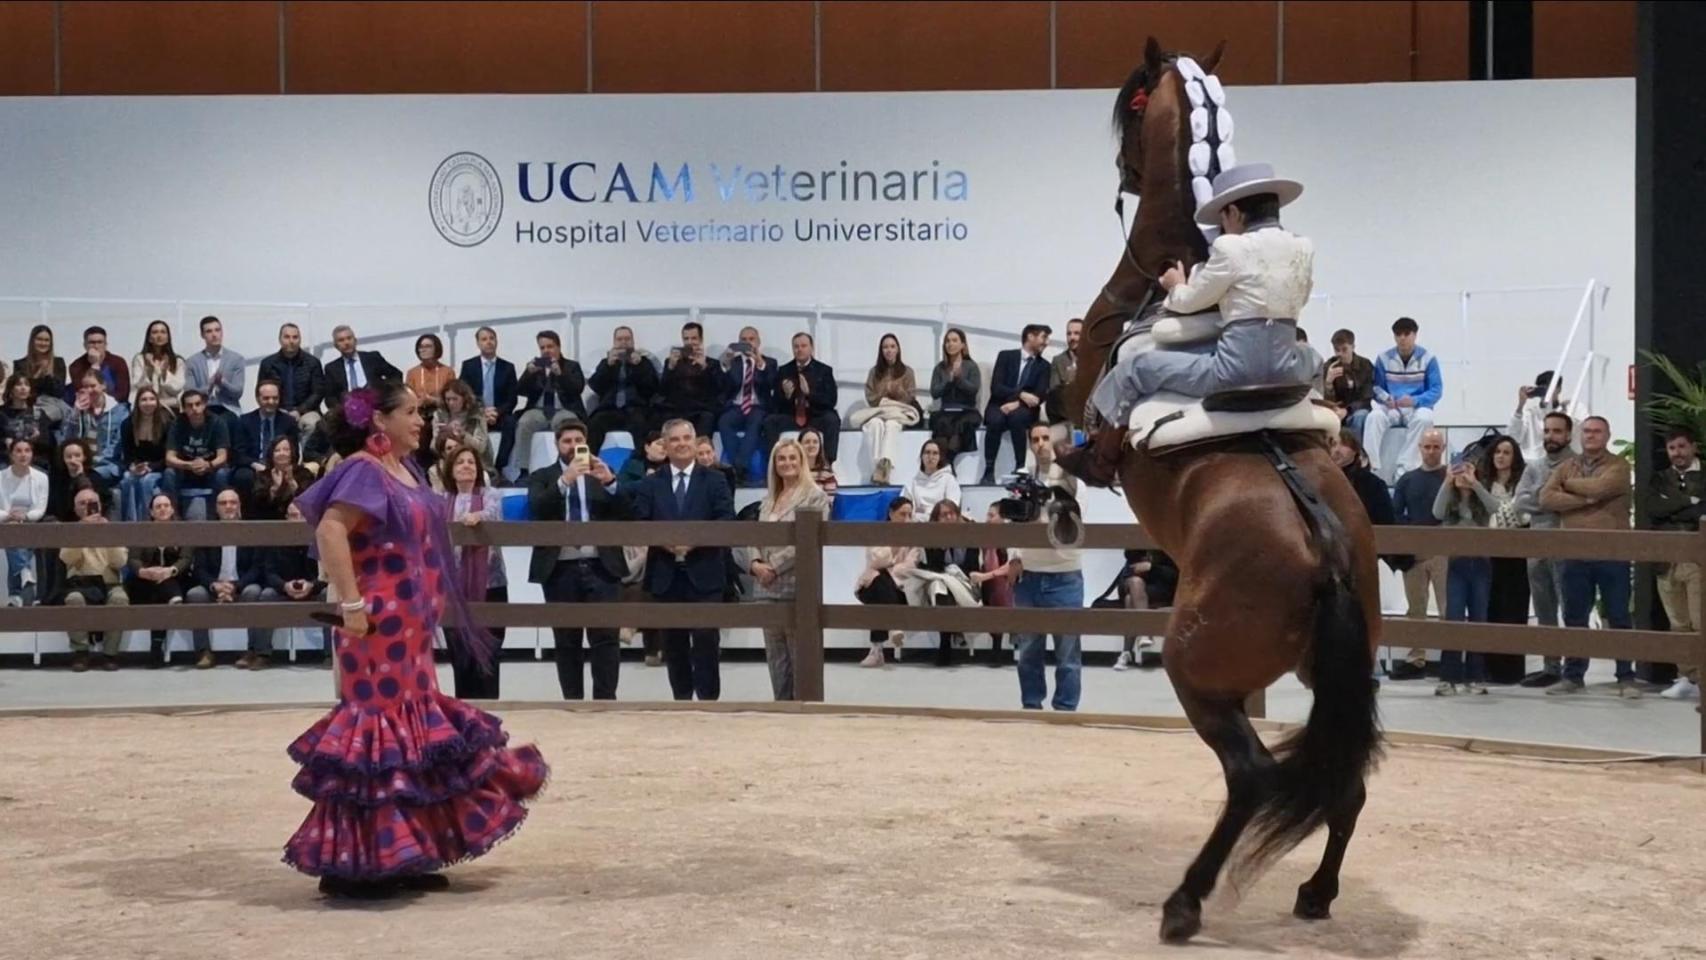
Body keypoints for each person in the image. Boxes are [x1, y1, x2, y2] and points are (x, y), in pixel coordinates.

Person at [287, 380, 547, 898]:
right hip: (377, 628)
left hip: (410, 632)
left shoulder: (403, 469)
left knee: (407, 738)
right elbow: (330, 531)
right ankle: (355, 862)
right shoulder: (362, 468)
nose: (420, 420)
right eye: (410, 411)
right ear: (378, 421)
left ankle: (401, 851)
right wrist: (352, 604)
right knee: (377, 738)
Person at [1066, 163, 1315, 486]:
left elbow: (1189, 301)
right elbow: (1302, 297)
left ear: (1235, 213)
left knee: (1135, 369)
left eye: (1223, 220)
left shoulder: (1231, 248)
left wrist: (1174, 284)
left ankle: (1101, 461)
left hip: (1233, 374)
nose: (1223, 228)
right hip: (1288, 368)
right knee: (1315, 359)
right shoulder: (1303, 246)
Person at [629, 418, 734, 701]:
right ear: (665, 445)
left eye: (686, 438)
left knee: (706, 640)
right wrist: (663, 541)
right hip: (665, 573)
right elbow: (639, 519)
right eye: (674, 439)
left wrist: (695, 540)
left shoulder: (715, 479)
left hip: (706, 571)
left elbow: (726, 519)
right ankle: (682, 702)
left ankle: (709, 703)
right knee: (673, 644)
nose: (681, 444)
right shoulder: (651, 484)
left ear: (694, 441)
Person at [526, 421, 628, 701]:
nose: (573, 446)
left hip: (602, 565)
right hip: (560, 567)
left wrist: (610, 482)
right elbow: (537, 507)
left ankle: (605, 702)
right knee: (566, 639)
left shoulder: (602, 473)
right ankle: (572, 702)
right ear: (557, 446)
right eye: (567, 441)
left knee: (606, 638)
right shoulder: (542, 476)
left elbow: (628, 510)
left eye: (578, 440)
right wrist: (565, 480)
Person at [1540, 415, 1639, 698]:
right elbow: (1546, 498)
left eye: (1597, 431)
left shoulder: (1619, 465)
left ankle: (1626, 677)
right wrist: (1586, 500)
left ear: (1607, 436)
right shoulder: (1567, 466)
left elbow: (1603, 488)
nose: (1591, 436)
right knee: (1574, 617)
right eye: (1586, 431)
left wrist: (1569, 486)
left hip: (1612, 553)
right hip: (1573, 554)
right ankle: (1573, 676)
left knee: (1619, 616)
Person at [737, 437, 829, 700]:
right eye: (781, 459)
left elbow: (806, 542)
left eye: (792, 458)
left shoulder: (815, 497)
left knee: (800, 657)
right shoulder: (768, 500)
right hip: (765, 589)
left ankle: (803, 712)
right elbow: (755, 536)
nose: (787, 463)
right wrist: (755, 565)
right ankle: (781, 708)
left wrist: (774, 567)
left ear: (801, 462)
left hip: (796, 588)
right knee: (776, 660)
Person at [1011, 428, 1085, 710]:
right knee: (1028, 650)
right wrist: (1015, 554)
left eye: (1045, 439)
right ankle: (1031, 706)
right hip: (1029, 574)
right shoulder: (1022, 479)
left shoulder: (1073, 480)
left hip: (1064, 575)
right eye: (1035, 439)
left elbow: (1071, 527)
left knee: (1067, 653)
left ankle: (1065, 710)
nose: (1041, 444)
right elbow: (1012, 522)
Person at [1509, 411, 1575, 687]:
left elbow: (1579, 500)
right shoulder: (1534, 466)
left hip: (1568, 547)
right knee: (1544, 609)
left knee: (1572, 610)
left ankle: (1574, 670)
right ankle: (1551, 666)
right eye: (1547, 431)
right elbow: (1519, 503)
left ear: (1569, 435)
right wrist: (1551, 496)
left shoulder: (1578, 465)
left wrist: (1544, 496)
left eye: (1556, 431)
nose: (1550, 436)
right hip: (1536, 546)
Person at [185, 488, 279, 670]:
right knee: (195, 594)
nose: (228, 507)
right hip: (214, 585)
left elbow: (256, 568)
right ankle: (204, 651)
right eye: (223, 503)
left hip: (242, 585)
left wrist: (235, 587)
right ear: (216, 508)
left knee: (254, 592)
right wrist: (215, 586)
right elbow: (200, 569)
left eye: (233, 502)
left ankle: (255, 651)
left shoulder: (251, 531)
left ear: (239, 506)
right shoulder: (206, 533)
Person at [1431, 448, 1499, 696]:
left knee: (1479, 618)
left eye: (1467, 469)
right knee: (1454, 618)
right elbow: (1436, 513)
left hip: (1480, 563)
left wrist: (1476, 485)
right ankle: (1448, 677)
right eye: (1459, 468)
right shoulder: (1449, 499)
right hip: (1456, 564)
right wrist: (1448, 481)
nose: (1463, 474)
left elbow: (1495, 507)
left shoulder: (1481, 498)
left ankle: (1475, 675)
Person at [444, 447, 508, 701]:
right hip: (452, 588)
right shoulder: (441, 500)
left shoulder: (491, 495)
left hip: (491, 585)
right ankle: (463, 708)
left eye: (471, 461)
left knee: (490, 652)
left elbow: (494, 514)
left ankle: (492, 707)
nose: (467, 465)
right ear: (450, 469)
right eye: (460, 462)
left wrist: (478, 516)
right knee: (459, 655)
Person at [1386, 428, 1449, 680]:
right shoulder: (1407, 480)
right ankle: (1416, 658)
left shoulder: (1450, 477)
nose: (1431, 451)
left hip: (1444, 550)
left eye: (1436, 446)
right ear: (1420, 448)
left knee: (1448, 608)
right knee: (1416, 608)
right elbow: (1396, 513)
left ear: (1443, 448)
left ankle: (1451, 657)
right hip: (1414, 553)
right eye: (1427, 446)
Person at [1647, 428, 1702, 702]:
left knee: (1699, 621)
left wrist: (1678, 506)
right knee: (1678, 623)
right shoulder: (1659, 479)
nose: (1677, 453)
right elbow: (1654, 509)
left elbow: (1700, 514)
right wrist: (1688, 502)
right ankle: (1687, 677)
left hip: (1697, 559)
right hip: (1666, 559)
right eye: (1672, 448)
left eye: (1681, 447)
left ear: (1693, 447)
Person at [57, 485, 128, 672]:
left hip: (109, 582)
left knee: (120, 599)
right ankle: (81, 652)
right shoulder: (71, 531)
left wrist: (107, 534)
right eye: (82, 503)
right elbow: (67, 558)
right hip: (80, 583)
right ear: (75, 509)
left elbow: (120, 561)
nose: (87, 506)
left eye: (92, 503)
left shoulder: (112, 529)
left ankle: (110, 654)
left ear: (100, 506)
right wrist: (82, 532)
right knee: (74, 600)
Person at [1365, 316, 1444, 482]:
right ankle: (1371, 466)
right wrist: (1386, 398)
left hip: (1416, 406)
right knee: (1373, 417)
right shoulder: (1383, 358)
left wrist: (1415, 400)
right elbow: (1376, 386)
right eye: (1398, 334)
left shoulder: (1428, 359)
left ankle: (1404, 468)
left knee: (1424, 419)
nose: (1402, 338)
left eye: (1406, 334)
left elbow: (1436, 390)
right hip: (1391, 407)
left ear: (1415, 335)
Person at [1479, 435, 1532, 683]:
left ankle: (1512, 670)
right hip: (1488, 554)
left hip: (1516, 555)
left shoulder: (1522, 484)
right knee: (1491, 609)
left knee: (1514, 610)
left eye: (1506, 452)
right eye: (1497, 451)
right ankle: (1490, 668)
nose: (1501, 456)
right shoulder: (1483, 482)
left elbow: (1521, 517)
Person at [127, 492, 192, 665]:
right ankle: (174, 600)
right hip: (146, 581)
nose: (162, 509)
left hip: (175, 578)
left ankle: (156, 648)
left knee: (165, 585)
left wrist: (170, 570)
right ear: (151, 512)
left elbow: (186, 558)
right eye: (158, 507)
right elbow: (133, 558)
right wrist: (144, 572)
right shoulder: (141, 532)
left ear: (172, 510)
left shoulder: (183, 531)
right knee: (155, 589)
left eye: (166, 506)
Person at [982, 323, 1051, 485]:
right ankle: (989, 469)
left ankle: (1020, 466)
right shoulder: (1005, 356)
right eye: (1043, 337)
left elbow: (1038, 396)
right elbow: (997, 387)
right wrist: (1020, 394)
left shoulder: (1044, 366)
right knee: (995, 420)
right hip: (999, 403)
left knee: (1017, 418)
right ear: (1030, 337)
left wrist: (1018, 403)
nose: (1046, 343)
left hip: (1025, 409)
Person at [854, 497, 918, 667]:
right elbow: (875, 560)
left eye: (909, 515)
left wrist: (890, 569)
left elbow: (910, 566)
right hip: (871, 585)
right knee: (879, 580)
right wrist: (895, 547)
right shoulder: (877, 533)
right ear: (891, 514)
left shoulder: (915, 537)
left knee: (881, 582)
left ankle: (876, 650)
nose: (906, 519)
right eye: (902, 514)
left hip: (900, 589)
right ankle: (894, 626)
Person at [512, 330, 587, 476]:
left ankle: (570, 465)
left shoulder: (571, 366)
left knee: (566, 422)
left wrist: (560, 374)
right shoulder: (535, 367)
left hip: (564, 409)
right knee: (524, 422)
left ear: (558, 347)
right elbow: (519, 390)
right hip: (538, 409)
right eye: (542, 348)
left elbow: (577, 388)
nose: (546, 351)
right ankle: (523, 470)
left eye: (550, 346)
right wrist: (529, 373)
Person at [762, 332, 840, 464]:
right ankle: (773, 464)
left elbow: (831, 401)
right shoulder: (784, 370)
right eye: (796, 346)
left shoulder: (824, 370)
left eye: (803, 346)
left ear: (811, 348)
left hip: (815, 415)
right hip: (792, 416)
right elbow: (775, 403)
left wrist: (809, 393)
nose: (800, 349)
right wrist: (786, 395)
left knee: (832, 420)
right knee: (770, 421)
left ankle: (827, 463)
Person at [853, 334, 920, 485]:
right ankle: (878, 468)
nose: (889, 350)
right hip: (879, 410)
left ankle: (885, 465)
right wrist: (884, 392)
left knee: (891, 425)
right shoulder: (874, 372)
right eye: (885, 347)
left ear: (897, 349)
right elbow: (870, 396)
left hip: (898, 411)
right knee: (875, 424)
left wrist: (897, 392)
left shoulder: (907, 371)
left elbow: (911, 395)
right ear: (881, 350)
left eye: (892, 346)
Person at [714, 326, 775, 487]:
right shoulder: (732, 362)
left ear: (758, 342)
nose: (747, 343)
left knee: (755, 423)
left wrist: (760, 363)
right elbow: (722, 387)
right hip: (736, 406)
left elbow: (770, 384)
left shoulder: (769, 362)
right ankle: (740, 468)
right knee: (724, 422)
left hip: (757, 406)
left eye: (751, 339)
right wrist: (725, 365)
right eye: (743, 340)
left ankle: (737, 468)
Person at [587, 325, 661, 455]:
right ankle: (587, 465)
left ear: (633, 341)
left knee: (642, 425)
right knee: (594, 424)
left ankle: (641, 465)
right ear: (614, 342)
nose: (623, 343)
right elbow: (595, 386)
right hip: (609, 409)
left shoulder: (643, 362)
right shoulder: (606, 362)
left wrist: (639, 367)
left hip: (635, 408)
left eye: (627, 339)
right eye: (620, 339)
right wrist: (608, 367)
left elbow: (652, 388)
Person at [457, 326, 520, 478]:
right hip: (477, 413)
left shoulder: (508, 367)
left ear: (496, 341)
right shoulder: (469, 366)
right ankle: (475, 467)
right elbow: (464, 395)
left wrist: (496, 412)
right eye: (484, 339)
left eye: (492, 338)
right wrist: (481, 412)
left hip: (499, 415)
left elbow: (512, 399)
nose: (489, 342)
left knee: (512, 422)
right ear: (478, 343)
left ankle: (499, 467)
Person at [160, 390, 232, 510]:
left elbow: (223, 456)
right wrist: (189, 465)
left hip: (210, 469)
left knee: (222, 474)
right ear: (184, 409)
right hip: (185, 471)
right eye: (190, 405)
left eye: (198, 404)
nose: (194, 408)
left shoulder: (217, 422)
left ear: (204, 405)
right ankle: (173, 515)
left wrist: (208, 465)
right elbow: (169, 458)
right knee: (169, 473)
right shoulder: (177, 424)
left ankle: (218, 515)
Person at [653, 321, 723, 440]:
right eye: (686, 339)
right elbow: (662, 390)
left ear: (701, 340)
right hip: (676, 408)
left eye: (694, 338)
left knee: (707, 417)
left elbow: (717, 389)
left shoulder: (712, 364)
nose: (690, 342)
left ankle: (700, 454)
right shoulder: (671, 362)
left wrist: (704, 367)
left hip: (700, 409)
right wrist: (670, 368)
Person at [235, 380, 301, 506]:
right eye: (266, 398)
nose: (271, 402)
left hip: (281, 465)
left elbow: (294, 453)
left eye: (275, 398)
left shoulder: (289, 422)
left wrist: (279, 466)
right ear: (257, 399)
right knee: (242, 476)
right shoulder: (244, 421)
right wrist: (256, 465)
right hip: (254, 465)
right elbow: (238, 453)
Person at [1110, 549, 1178, 671]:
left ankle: (1126, 652)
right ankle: (1145, 632)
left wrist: (1151, 567)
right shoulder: (1135, 552)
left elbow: (1173, 577)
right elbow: (1127, 572)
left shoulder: (1166, 551)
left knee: (1130, 600)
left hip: (1157, 590)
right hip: (1132, 585)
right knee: (1135, 582)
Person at [1, 438, 49, 607]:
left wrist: (25, 517)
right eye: (18, 451)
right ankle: (25, 571)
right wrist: (8, 516)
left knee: (16, 536)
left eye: (27, 450)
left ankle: (16, 594)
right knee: (12, 531)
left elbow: (40, 508)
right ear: (11, 454)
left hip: (30, 521)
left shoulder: (41, 477)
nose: (23, 455)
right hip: (5, 522)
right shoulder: (1, 477)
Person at [59, 370, 128, 485]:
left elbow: (118, 444)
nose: (89, 390)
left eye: (93, 386)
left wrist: (94, 461)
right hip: (81, 461)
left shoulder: (120, 411)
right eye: (86, 387)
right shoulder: (78, 410)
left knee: (89, 478)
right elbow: (67, 440)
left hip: (108, 465)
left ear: (103, 386)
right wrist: (75, 414)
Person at [258, 322, 327, 432]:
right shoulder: (268, 364)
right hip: (275, 409)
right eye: (287, 337)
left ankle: (309, 450)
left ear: (300, 339)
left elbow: (318, 393)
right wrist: (278, 410)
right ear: (280, 339)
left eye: (295, 337)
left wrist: (299, 411)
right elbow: (260, 391)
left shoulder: (313, 363)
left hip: (307, 411)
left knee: (312, 424)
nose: (291, 341)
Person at [929, 327, 983, 463]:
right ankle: (946, 462)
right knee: (941, 423)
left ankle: (948, 460)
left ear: (962, 345)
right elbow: (934, 392)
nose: (950, 344)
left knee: (961, 424)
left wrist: (959, 379)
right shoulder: (940, 368)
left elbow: (973, 390)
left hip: (967, 410)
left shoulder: (971, 366)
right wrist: (949, 380)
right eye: (947, 341)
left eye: (954, 340)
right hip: (946, 409)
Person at [1507, 371, 1585, 464]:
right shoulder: (1529, 412)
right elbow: (1513, 437)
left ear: (1559, 389)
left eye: (1551, 388)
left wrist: (1564, 414)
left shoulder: (1572, 408)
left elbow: (1581, 430)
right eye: (1543, 388)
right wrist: (1521, 404)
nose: (1548, 392)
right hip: (1532, 463)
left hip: (1562, 462)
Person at [118, 385, 172, 522]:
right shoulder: (127, 424)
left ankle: (146, 523)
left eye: (151, 399)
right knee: (126, 480)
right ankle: (129, 523)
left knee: (147, 481)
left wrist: (151, 467)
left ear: (157, 401)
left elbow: (169, 455)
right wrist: (132, 467)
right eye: (144, 400)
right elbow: (127, 453)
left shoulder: (167, 423)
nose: (148, 403)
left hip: (159, 468)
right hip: (137, 467)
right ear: (138, 403)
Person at [973, 502, 1014, 666]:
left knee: (999, 587)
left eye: (992, 515)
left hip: (1006, 581)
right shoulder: (986, 537)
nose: (987, 519)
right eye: (987, 515)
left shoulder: (1011, 537)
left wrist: (986, 576)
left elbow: (1012, 564)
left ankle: (998, 644)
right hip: (988, 581)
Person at [322, 324, 403, 407]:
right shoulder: (331, 368)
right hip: (349, 409)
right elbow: (329, 397)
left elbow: (396, 375)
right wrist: (342, 409)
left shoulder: (373, 358)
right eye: (341, 340)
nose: (346, 343)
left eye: (349, 338)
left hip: (376, 405)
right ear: (336, 346)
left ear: (355, 340)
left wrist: (385, 395)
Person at [183, 316, 245, 421]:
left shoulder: (236, 359)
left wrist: (222, 382)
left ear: (222, 332)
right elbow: (189, 392)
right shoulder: (192, 362)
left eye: (217, 330)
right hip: (202, 410)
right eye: (209, 331)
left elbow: (238, 392)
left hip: (228, 409)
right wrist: (209, 386)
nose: (214, 335)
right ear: (202, 335)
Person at [1323, 329, 1376, 436]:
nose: (1340, 354)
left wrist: (1347, 410)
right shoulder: (1329, 366)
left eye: (1344, 349)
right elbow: (1325, 400)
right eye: (1337, 350)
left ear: (1353, 347)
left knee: (1360, 416)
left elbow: (1367, 396)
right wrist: (1328, 383)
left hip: (1358, 409)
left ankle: (1354, 451)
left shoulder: (1365, 365)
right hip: (1336, 410)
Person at [433, 379, 492, 471]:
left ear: (464, 398)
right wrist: (444, 434)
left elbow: (481, 448)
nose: (451, 403)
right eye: (448, 399)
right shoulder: (440, 415)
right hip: (447, 463)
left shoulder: (477, 416)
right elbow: (433, 447)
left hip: (475, 462)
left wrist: (463, 435)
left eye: (455, 399)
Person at [251, 435, 313, 521]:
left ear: (292, 453)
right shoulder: (262, 476)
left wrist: (292, 483)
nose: (282, 453)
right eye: (277, 450)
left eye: (286, 450)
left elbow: (310, 501)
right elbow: (257, 505)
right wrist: (275, 488)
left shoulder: (304, 474)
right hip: (270, 523)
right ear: (272, 455)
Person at [66, 326, 130, 406]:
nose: (96, 346)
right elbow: (82, 392)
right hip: (87, 407)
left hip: (115, 406)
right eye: (92, 342)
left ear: (105, 344)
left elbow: (123, 394)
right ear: (85, 345)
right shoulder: (76, 366)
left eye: (100, 342)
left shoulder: (118, 362)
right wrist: (95, 365)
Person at [130, 320, 185, 412]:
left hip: (170, 407)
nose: (159, 335)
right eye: (155, 332)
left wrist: (164, 373)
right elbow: (137, 386)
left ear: (168, 337)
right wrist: (149, 370)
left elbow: (177, 388)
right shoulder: (140, 359)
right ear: (149, 338)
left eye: (163, 332)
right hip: (146, 407)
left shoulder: (178, 361)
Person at [899, 439, 960, 522]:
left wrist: (924, 516)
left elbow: (951, 508)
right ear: (921, 456)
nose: (930, 457)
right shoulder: (912, 483)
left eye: (935, 453)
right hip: (916, 526)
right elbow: (904, 508)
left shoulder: (949, 480)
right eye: (927, 452)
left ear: (940, 457)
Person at [15, 325, 66, 419]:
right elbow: (20, 391)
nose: (43, 343)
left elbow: (59, 392)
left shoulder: (58, 362)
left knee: (41, 416)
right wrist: (37, 374)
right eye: (39, 339)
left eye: (47, 340)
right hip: (29, 405)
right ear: (32, 341)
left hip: (53, 406)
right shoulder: (20, 364)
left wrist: (48, 374)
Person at [0, 375, 53, 465]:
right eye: (19, 384)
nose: (23, 388)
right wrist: (5, 441)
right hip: (6, 460)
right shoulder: (2, 413)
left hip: (33, 461)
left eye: (26, 385)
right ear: (11, 389)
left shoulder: (38, 413)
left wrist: (38, 438)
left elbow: (48, 442)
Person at [1045, 318, 1083, 426]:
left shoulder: (1092, 359)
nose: (1072, 338)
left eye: (1077, 334)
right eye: (1069, 334)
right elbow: (1054, 388)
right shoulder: (1058, 360)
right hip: (1065, 408)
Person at [406, 334, 455, 413]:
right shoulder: (412, 373)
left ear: (436, 349)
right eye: (421, 347)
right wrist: (419, 402)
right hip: (419, 415)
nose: (423, 349)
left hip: (442, 414)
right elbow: (407, 400)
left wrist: (433, 400)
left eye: (428, 346)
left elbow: (452, 398)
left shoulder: (447, 372)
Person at [798, 427, 837, 503]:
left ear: (820, 446)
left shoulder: (827, 475)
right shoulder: (793, 471)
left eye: (815, 442)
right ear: (799, 445)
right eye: (807, 442)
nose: (811, 445)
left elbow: (828, 503)